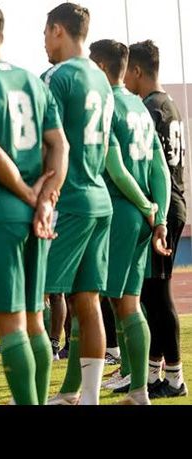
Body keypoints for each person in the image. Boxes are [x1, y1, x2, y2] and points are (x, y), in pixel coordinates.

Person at [0, 2, 69, 404]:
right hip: (38, 218)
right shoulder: (35, 82)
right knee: (36, 319)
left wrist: (27, 193)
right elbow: (59, 145)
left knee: (11, 325)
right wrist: (46, 200)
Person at [89, 38, 171, 405]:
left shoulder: (106, 104)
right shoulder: (138, 107)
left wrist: (142, 203)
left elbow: (114, 165)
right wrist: (159, 216)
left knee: (90, 301)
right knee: (130, 302)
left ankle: (76, 391)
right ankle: (139, 391)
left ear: (103, 67)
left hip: (120, 209)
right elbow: (159, 168)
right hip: (141, 217)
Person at [42, 3, 116, 406]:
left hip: (65, 201)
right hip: (98, 199)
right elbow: (103, 146)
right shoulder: (101, 80)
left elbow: (43, 143)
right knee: (87, 301)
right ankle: (84, 397)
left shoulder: (57, 76)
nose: (44, 43)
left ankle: (31, 393)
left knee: (30, 298)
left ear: (57, 30)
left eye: (44, 33)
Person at [124, 39, 188, 398]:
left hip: (162, 208)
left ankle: (176, 377)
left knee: (157, 293)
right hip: (172, 204)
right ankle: (153, 374)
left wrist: (153, 211)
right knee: (152, 292)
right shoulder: (170, 105)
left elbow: (152, 169)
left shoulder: (149, 109)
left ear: (136, 70)